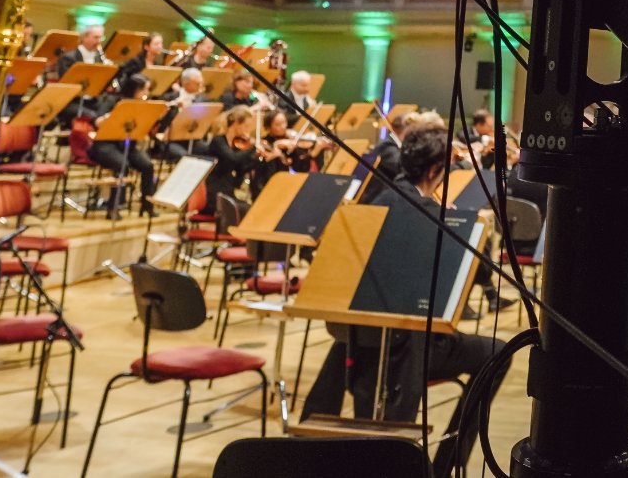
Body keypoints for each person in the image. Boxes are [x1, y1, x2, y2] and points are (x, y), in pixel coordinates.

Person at [302, 123, 514, 474]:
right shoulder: (437, 218)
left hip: (357, 341)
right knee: (498, 353)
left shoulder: (374, 202)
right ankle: (446, 464)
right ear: (435, 170)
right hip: (408, 347)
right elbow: (450, 302)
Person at [91, 73, 158, 217]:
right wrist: (114, 115)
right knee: (122, 164)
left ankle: (147, 205)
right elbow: (96, 122)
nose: (146, 94)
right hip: (105, 145)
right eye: (144, 90)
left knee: (148, 166)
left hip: (127, 145)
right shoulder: (112, 100)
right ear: (134, 89)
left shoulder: (141, 105)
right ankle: (113, 208)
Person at [203, 108, 258, 212]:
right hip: (214, 194)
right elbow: (232, 158)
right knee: (245, 210)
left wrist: (256, 158)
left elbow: (240, 171)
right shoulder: (218, 141)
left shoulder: (237, 145)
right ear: (236, 124)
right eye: (246, 126)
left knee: (250, 209)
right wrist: (252, 148)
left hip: (227, 192)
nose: (248, 130)